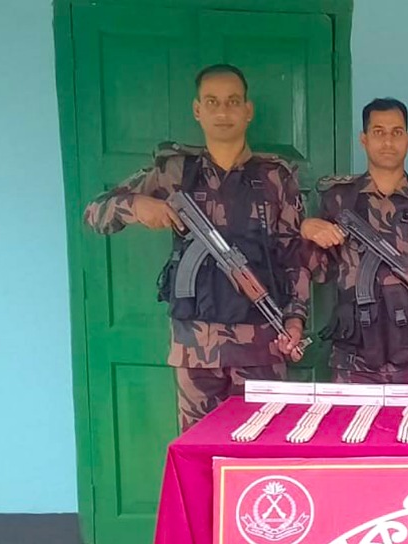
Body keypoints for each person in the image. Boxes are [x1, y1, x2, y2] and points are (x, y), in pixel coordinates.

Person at [84, 64, 310, 431]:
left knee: (262, 449)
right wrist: (138, 207)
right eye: (212, 102)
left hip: (262, 345)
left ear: (248, 110)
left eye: (233, 102)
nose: (223, 112)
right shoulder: (174, 172)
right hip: (194, 347)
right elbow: (95, 212)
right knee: (197, 451)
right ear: (197, 110)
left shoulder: (276, 176)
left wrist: (295, 319)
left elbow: (294, 255)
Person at [297, 98, 408, 385]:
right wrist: (307, 229)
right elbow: (319, 271)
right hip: (355, 359)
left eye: (396, 132)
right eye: (379, 132)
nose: (388, 141)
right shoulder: (337, 199)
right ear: (364, 139)